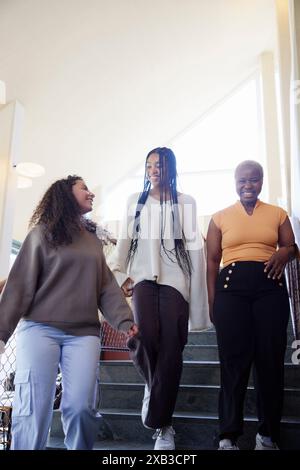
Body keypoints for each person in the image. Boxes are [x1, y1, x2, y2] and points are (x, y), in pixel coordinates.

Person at [0, 175, 138, 450]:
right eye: (84, 188)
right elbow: (19, 286)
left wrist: (126, 322)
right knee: (33, 410)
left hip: (83, 334)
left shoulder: (92, 240)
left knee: (81, 408)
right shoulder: (41, 234)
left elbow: (106, 286)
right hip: (39, 329)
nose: (91, 193)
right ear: (65, 195)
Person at [108, 147, 211, 450]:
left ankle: (163, 427)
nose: (154, 169)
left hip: (177, 283)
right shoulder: (135, 202)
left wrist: (198, 302)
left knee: (171, 350)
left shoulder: (186, 203)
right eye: (149, 165)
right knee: (145, 338)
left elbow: (196, 253)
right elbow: (123, 245)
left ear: (171, 169)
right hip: (142, 281)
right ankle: (154, 389)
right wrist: (119, 276)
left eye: (160, 165)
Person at [206, 160, 298, 450]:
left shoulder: (278, 214)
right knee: (233, 364)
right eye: (243, 180)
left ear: (261, 182)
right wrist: (212, 300)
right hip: (231, 291)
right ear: (234, 182)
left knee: (270, 362)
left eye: (254, 180)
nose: (248, 185)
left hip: (269, 290)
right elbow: (211, 260)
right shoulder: (220, 217)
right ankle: (228, 436)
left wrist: (284, 252)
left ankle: (267, 435)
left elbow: (292, 247)